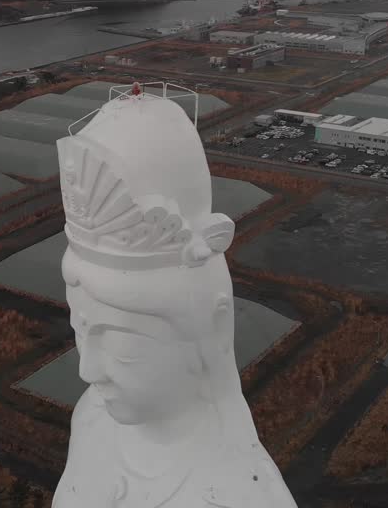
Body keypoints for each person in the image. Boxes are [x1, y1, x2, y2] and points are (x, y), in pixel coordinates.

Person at [52, 87, 297, 508]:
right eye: (79, 332)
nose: (89, 373)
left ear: (213, 328)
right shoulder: (93, 419)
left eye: (126, 351)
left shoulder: (244, 496)